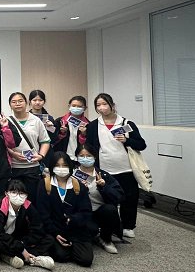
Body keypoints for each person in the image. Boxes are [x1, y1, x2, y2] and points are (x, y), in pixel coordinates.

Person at [85, 93, 147, 239]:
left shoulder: (125, 124)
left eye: (105, 104)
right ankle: (110, 226)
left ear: (112, 105)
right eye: (98, 105)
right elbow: (90, 148)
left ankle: (128, 226)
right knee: (107, 198)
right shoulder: (93, 126)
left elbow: (141, 144)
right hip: (105, 169)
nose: (102, 107)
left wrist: (127, 140)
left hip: (126, 168)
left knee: (129, 198)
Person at [36, 152, 94, 267]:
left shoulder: (78, 186)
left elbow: (86, 211)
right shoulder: (44, 184)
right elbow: (42, 213)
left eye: (65, 165)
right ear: (52, 167)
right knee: (61, 256)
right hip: (54, 230)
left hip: (76, 230)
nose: (61, 168)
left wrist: (72, 219)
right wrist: (55, 233)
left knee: (86, 260)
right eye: (58, 165)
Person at [0, 179, 55, 270]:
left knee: (49, 239)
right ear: (6, 193)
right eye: (13, 192)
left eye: (21, 193)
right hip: (4, 238)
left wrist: (23, 243)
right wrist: (20, 248)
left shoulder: (28, 206)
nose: (18, 196)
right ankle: (32, 258)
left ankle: (14, 256)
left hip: (20, 238)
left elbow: (38, 228)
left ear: (26, 195)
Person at [74, 143, 125, 253]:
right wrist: (80, 189)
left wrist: (104, 187)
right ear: (77, 157)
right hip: (81, 213)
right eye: (81, 156)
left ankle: (106, 239)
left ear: (95, 157)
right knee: (87, 235)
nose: (85, 158)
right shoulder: (72, 175)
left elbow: (119, 196)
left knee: (110, 209)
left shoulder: (103, 175)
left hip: (99, 212)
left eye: (89, 156)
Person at [7, 92, 51, 204]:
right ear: (10, 105)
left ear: (26, 103)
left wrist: (41, 155)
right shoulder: (6, 121)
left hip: (32, 167)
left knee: (32, 199)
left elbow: (45, 141)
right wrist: (12, 153)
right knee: (15, 200)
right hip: (13, 167)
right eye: (14, 102)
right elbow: (2, 144)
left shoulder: (36, 120)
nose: (17, 104)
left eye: (20, 101)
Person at [51, 95, 89, 161]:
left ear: (85, 108)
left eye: (79, 106)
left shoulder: (88, 124)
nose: (76, 108)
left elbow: (89, 145)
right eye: (73, 106)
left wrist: (84, 134)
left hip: (80, 158)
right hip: (61, 158)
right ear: (69, 106)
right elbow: (52, 140)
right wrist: (61, 133)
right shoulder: (60, 121)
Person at [28, 89, 59, 160]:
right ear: (30, 101)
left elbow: (54, 139)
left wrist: (51, 128)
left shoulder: (49, 118)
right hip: (30, 150)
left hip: (46, 152)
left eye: (40, 100)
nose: (37, 102)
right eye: (34, 100)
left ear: (44, 102)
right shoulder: (26, 117)